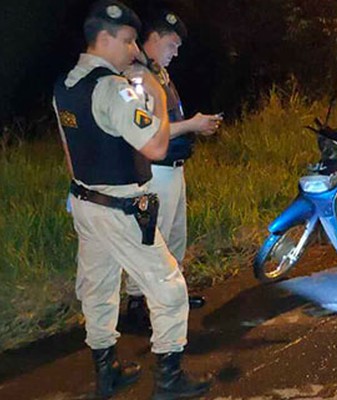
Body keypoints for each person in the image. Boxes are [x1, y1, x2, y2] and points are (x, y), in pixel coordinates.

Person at [52, 1, 210, 398]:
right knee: (169, 288)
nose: (133, 49)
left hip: (86, 202)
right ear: (105, 38)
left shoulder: (66, 85)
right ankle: (169, 379)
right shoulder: (113, 88)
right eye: (127, 41)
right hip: (120, 207)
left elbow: (69, 152)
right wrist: (152, 89)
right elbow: (156, 146)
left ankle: (107, 374)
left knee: (98, 287)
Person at [123, 8, 222, 330]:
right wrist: (192, 124)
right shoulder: (136, 77)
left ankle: (171, 295)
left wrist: (194, 127)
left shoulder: (158, 73)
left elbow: (170, 122)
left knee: (175, 236)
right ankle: (137, 306)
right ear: (152, 38)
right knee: (152, 238)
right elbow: (148, 129)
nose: (176, 52)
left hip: (174, 168)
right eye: (172, 45)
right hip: (155, 171)